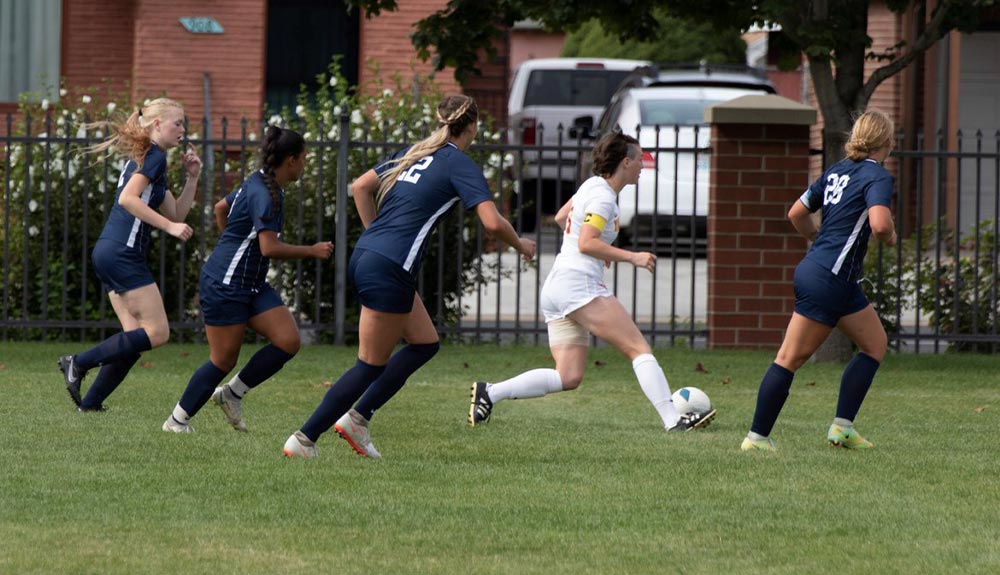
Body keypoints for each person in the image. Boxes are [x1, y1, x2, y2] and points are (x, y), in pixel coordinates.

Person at [282, 95, 536, 458]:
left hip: (369, 256)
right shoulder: (459, 163)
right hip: (389, 266)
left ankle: (359, 418)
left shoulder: (416, 152)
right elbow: (492, 223)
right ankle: (305, 438)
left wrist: (374, 235)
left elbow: (359, 187)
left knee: (424, 343)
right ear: (473, 126)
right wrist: (521, 245)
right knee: (369, 365)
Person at [467, 131, 715, 433]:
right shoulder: (603, 198)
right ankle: (674, 421)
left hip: (559, 286)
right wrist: (630, 256)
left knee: (568, 376)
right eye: (640, 160)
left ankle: (490, 392)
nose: (642, 165)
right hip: (578, 286)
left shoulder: (592, 187)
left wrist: (601, 250)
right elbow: (586, 242)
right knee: (639, 349)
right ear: (626, 162)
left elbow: (562, 218)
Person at [740, 110, 898, 452]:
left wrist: (817, 237)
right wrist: (890, 236)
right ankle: (756, 439)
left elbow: (796, 212)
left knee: (875, 344)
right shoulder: (878, 176)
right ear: (887, 142)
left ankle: (842, 428)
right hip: (830, 278)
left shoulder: (837, 171)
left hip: (830, 275)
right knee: (789, 358)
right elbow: (881, 225)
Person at [162, 126, 333, 433]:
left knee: (288, 341)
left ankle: (232, 394)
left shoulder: (259, 180)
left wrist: (230, 238)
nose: (304, 165)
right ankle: (177, 421)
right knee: (222, 360)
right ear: (291, 160)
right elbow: (269, 247)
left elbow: (220, 208)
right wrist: (312, 250)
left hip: (251, 283)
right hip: (225, 285)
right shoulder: (267, 195)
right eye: (304, 159)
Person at [58, 97, 201, 411]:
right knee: (158, 332)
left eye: (183, 123)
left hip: (108, 251)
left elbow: (177, 213)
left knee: (134, 337)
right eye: (177, 122)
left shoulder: (149, 159)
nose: (183, 129)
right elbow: (128, 199)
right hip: (122, 252)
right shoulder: (153, 157)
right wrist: (169, 228)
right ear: (156, 125)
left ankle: (91, 403)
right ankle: (77, 363)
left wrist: (192, 177)